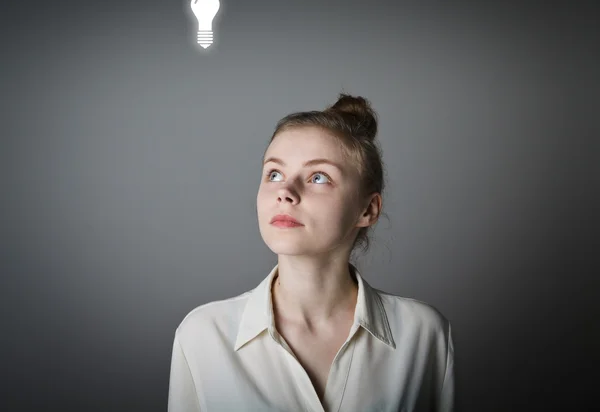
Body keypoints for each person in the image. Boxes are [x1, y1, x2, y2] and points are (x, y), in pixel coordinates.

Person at [167, 93, 454, 411]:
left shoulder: (423, 334)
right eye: (274, 174)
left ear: (367, 209)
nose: (285, 192)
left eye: (319, 177)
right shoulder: (203, 336)